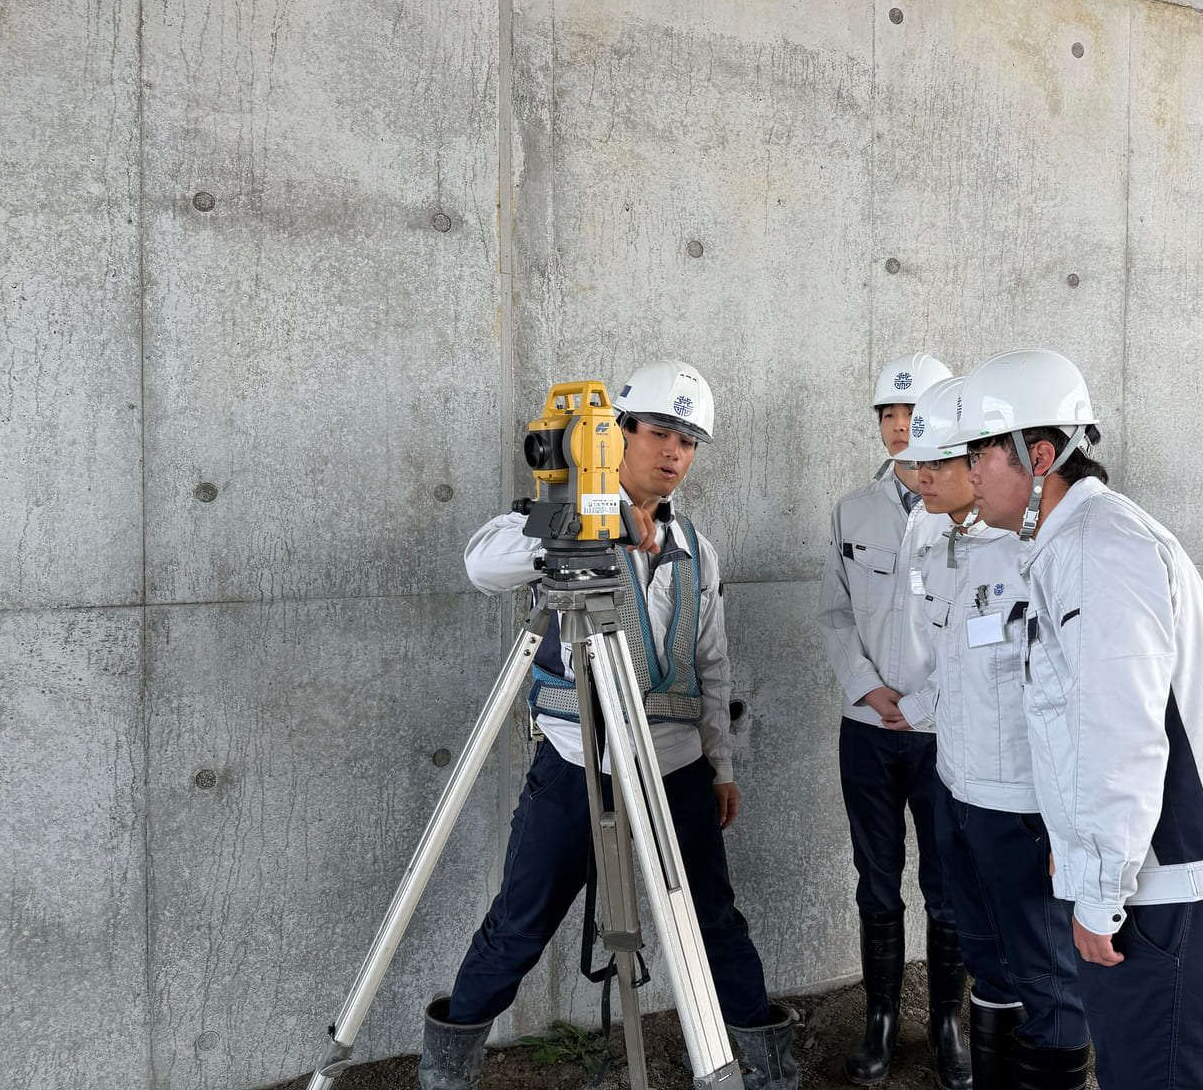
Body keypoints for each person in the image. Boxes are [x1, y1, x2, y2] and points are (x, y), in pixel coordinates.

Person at [419, 360, 797, 1090]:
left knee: (712, 925)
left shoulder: (696, 550)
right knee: (520, 924)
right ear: (613, 433)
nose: (674, 453)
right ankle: (448, 1067)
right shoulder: (555, 519)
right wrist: (572, 524)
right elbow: (481, 564)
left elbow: (712, 668)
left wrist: (721, 769)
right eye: (659, 431)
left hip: (674, 772)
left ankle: (764, 1069)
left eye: (688, 440)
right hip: (574, 765)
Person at [956, 348, 1203, 1090]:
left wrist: (1098, 892)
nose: (969, 472)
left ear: (1038, 457)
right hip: (1161, 888)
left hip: (1172, 903)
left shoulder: (1100, 550)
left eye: (979, 453)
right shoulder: (1077, 544)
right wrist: (1075, 856)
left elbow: (1121, 737)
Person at [891, 377, 1091, 1090]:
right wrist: (914, 711)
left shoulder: (1041, 555)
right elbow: (959, 667)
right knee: (987, 956)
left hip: (1022, 806)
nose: (934, 477)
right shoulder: (957, 549)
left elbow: (1077, 702)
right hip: (959, 790)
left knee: (1047, 974)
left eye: (961, 459)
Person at [816, 353, 972, 1090]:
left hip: (944, 734)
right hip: (868, 729)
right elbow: (836, 612)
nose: (901, 428)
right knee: (876, 877)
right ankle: (880, 1019)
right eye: (889, 415)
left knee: (947, 882)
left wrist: (924, 703)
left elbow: (981, 629)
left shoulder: (972, 515)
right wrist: (870, 691)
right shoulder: (854, 509)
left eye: (914, 416)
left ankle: (947, 1024)